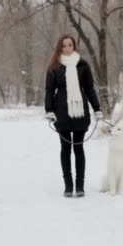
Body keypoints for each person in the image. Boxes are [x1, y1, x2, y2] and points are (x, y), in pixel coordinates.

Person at [44, 34, 103, 198]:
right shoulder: (54, 66)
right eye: (64, 46)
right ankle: (68, 186)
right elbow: (49, 90)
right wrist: (49, 110)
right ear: (60, 48)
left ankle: (80, 185)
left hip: (79, 113)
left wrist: (97, 109)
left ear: (74, 46)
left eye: (70, 45)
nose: (67, 48)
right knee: (65, 149)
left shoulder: (83, 65)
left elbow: (90, 89)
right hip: (61, 112)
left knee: (78, 147)